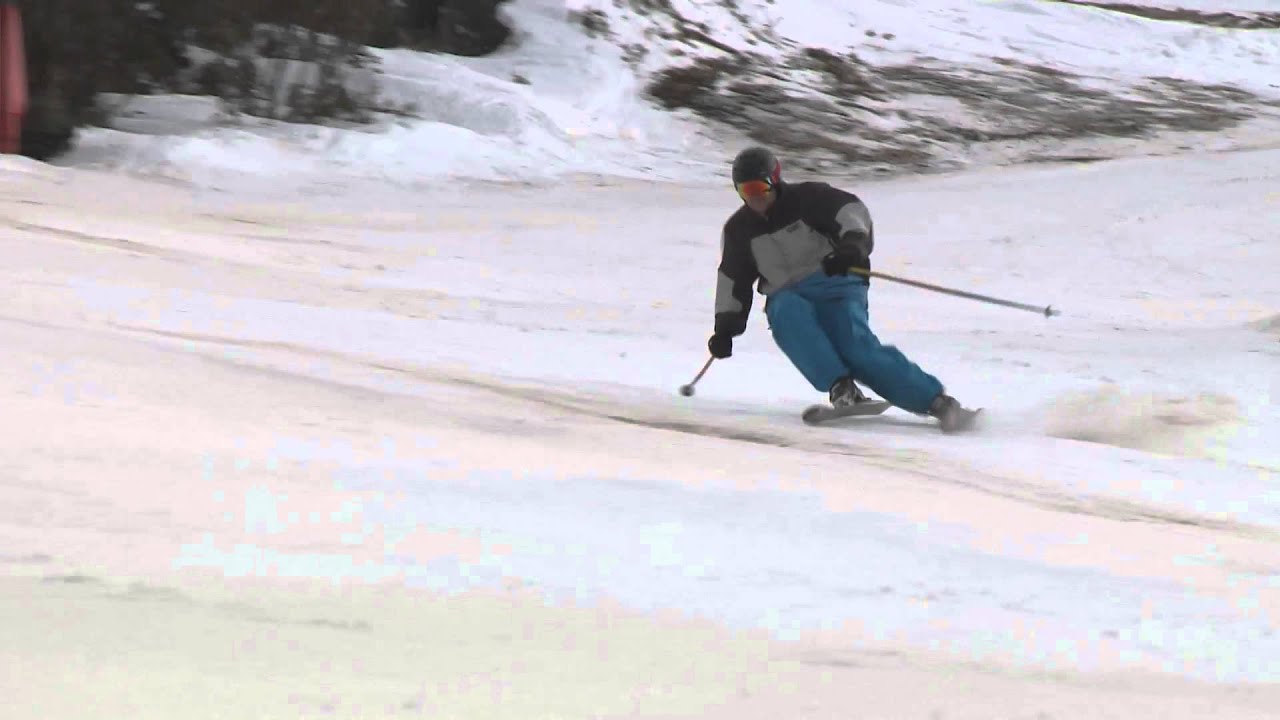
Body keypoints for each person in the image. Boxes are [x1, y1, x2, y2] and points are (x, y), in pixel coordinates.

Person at [707, 145, 976, 432]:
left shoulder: (808, 199)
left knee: (854, 346)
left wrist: (852, 246)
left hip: (834, 280)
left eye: (760, 187)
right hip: (787, 294)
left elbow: (851, 212)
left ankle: (938, 403)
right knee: (785, 312)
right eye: (746, 191)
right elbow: (732, 279)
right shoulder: (738, 231)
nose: (755, 197)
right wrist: (726, 327)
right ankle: (842, 390)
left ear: (775, 180)